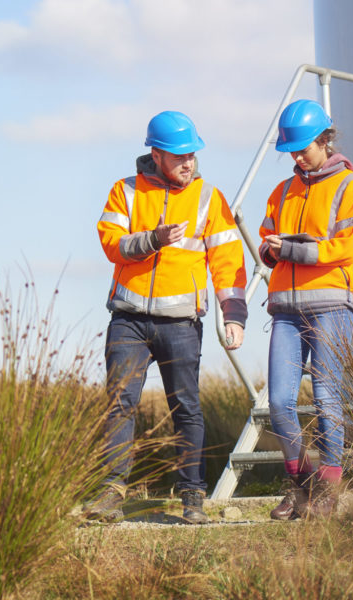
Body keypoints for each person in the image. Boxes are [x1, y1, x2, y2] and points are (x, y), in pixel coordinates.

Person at [88, 111, 247, 524]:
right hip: (128, 319)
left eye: (191, 154)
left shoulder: (209, 198)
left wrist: (234, 314)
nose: (187, 163)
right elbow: (112, 244)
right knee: (119, 404)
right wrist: (153, 240)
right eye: (178, 156)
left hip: (181, 324)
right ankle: (111, 493)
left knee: (187, 408)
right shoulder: (124, 191)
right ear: (155, 154)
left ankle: (191, 497)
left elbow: (228, 261)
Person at [259, 99, 353, 519]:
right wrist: (270, 253)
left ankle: (328, 490)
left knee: (326, 397)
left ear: (325, 139)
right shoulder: (282, 191)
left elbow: (347, 247)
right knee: (280, 403)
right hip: (285, 308)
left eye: (304, 146)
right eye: (292, 148)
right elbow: (268, 237)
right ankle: (302, 485)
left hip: (332, 304)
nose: (297, 155)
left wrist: (289, 248)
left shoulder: (349, 186)